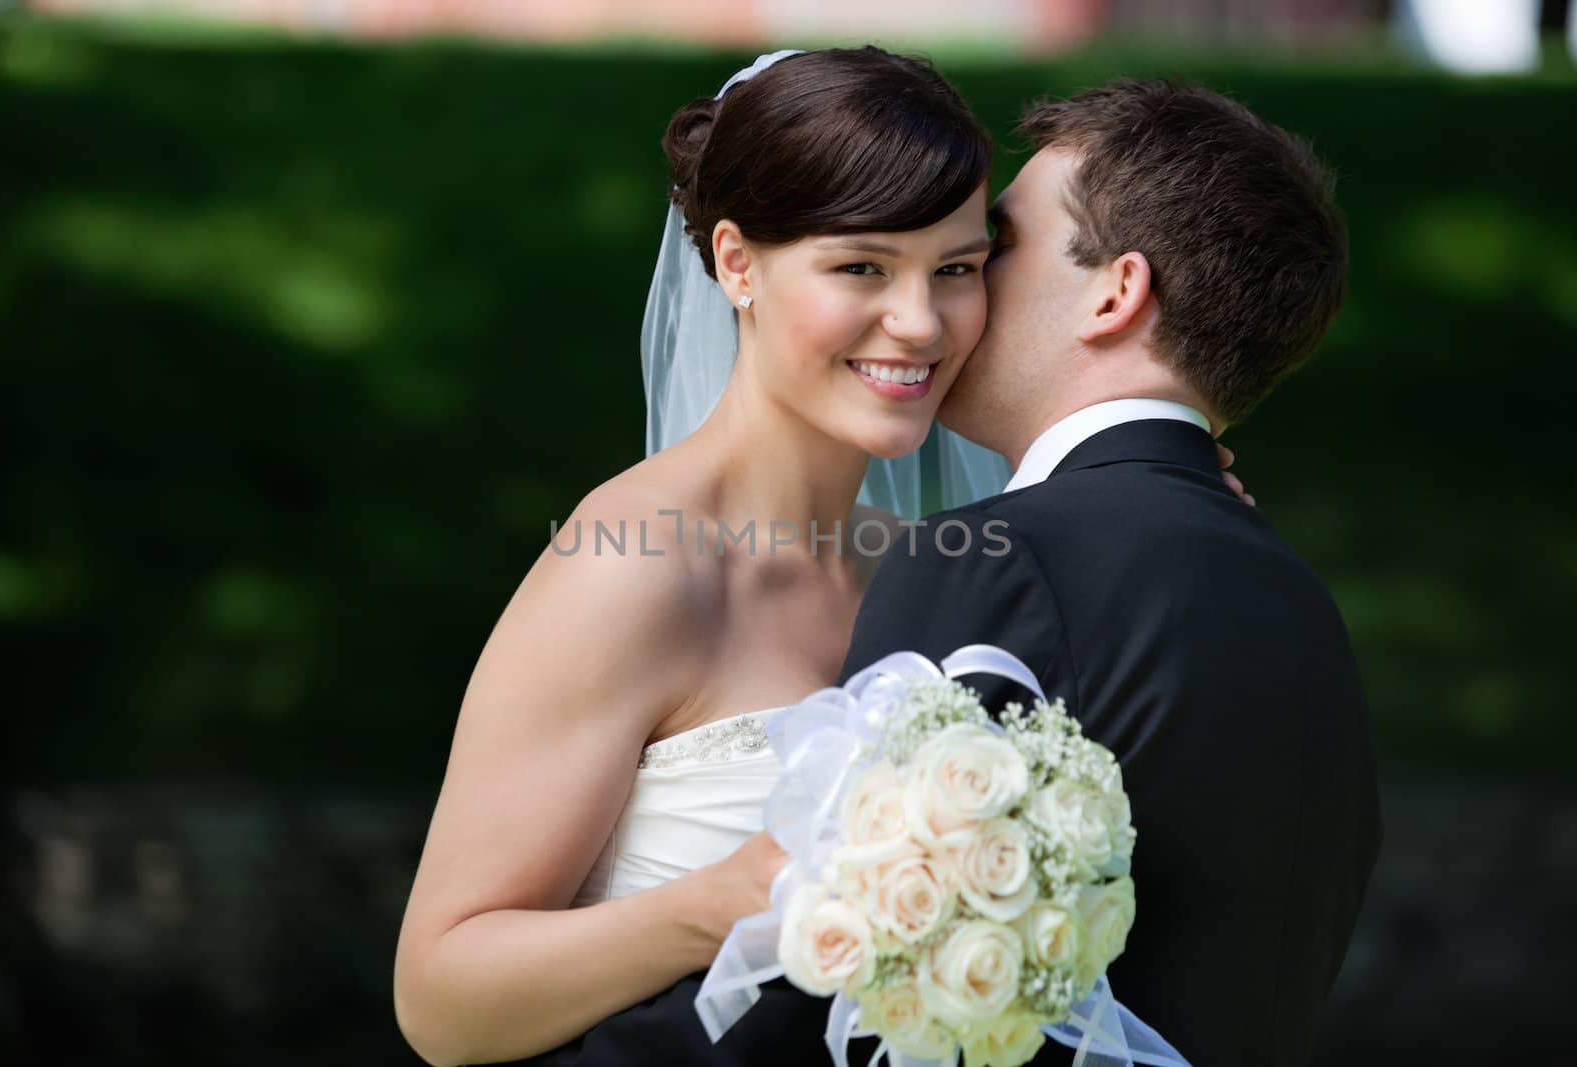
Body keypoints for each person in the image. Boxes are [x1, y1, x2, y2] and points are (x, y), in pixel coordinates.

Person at [513, 77, 1381, 1067]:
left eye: (988, 250)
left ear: (1115, 292)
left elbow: (844, 981)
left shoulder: (999, 560)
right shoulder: (1298, 600)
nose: (933, 308)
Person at [392, 45, 1003, 1067]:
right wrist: (717, 903)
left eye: (957, 268)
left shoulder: (926, 566)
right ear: (735, 262)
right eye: (860, 265)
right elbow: (442, 995)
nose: (920, 320)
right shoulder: (631, 566)